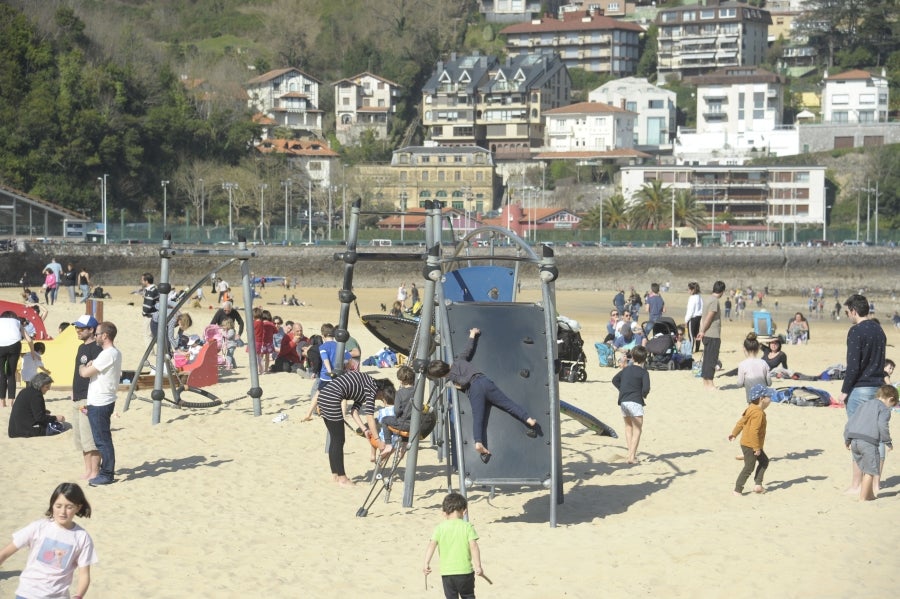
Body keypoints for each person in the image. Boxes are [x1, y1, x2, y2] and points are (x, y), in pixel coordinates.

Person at [426, 327, 541, 463]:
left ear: (440, 376)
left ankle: (478, 442)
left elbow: (464, 380)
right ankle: (528, 419)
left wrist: (459, 385)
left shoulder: (451, 376)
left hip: (475, 390)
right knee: (507, 404)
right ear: (444, 363)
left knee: (478, 417)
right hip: (485, 381)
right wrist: (472, 335)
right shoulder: (459, 360)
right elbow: (468, 349)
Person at [0, 482, 97, 599]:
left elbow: (84, 574)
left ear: (78, 507)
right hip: (27, 593)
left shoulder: (82, 537)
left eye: (69, 507)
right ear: (52, 505)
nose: (62, 512)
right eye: (58, 506)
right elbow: (5, 553)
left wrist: (78, 596)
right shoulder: (38, 527)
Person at [838, 294, 887, 495]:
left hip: (860, 388)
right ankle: (876, 484)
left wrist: (844, 391)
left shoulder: (856, 331)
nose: (848, 315)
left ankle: (857, 484)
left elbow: (853, 365)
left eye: (848, 312)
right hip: (877, 388)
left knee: (858, 437)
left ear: (854, 311)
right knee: (877, 436)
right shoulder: (879, 330)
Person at [316, 370, 395, 485]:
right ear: (382, 391)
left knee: (335, 439)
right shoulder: (372, 388)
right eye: (383, 397)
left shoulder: (366, 384)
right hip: (332, 398)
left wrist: (365, 429)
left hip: (323, 396)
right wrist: (378, 441)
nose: (380, 399)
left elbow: (354, 411)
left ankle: (335, 475)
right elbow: (369, 417)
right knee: (338, 440)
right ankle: (342, 478)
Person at [78, 321, 123, 487]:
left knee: (102, 440)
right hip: (102, 400)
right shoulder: (111, 354)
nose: (95, 336)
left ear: (105, 336)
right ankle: (107, 471)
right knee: (102, 439)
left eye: (97, 334)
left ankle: (107, 473)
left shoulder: (108, 354)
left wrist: (83, 366)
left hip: (101, 402)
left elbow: (84, 373)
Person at [423, 492, 483, 599]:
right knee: (468, 596)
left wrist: (426, 563)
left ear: (444, 513)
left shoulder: (440, 528)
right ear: (464, 511)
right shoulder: (467, 526)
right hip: (465, 572)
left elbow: (432, 545)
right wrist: (478, 565)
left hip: (447, 573)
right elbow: (474, 546)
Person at [844, 384, 897, 501]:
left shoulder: (863, 405)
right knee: (870, 471)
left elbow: (850, 423)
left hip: (854, 441)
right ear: (890, 399)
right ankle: (863, 498)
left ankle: (870, 495)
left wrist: (847, 439)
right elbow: (883, 426)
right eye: (891, 406)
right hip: (868, 443)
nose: (890, 408)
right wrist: (888, 441)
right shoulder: (883, 409)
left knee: (865, 468)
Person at [71, 315, 102, 481]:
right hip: (77, 396)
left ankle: (95, 470)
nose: (78, 331)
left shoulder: (97, 349)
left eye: (81, 328)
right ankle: (88, 470)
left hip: (88, 397)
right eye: (77, 328)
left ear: (91, 330)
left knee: (90, 439)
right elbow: (77, 372)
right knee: (81, 439)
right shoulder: (81, 348)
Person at [729, 384, 772, 496]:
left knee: (764, 461)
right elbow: (754, 431)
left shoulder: (751, 408)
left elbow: (741, 422)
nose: (770, 399)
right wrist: (756, 448)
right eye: (769, 397)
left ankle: (758, 485)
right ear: (762, 399)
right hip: (751, 445)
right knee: (749, 467)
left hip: (748, 443)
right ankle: (737, 489)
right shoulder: (758, 413)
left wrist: (734, 433)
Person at [612, 345, 650, 464]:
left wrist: (623, 390)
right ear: (645, 359)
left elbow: (614, 380)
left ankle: (630, 453)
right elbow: (646, 388)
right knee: (637, 429)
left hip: (624, 401)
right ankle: (631, 457)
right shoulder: (644, 372)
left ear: (632, 357)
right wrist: (643, 395)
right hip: (635, 401)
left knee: (628, 427)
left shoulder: (626, 370)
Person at [8, 373, 65, 438]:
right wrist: (56, 418)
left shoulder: (25, 390)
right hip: (24, 430)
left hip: (14, 429)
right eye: (47, 387)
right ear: (40, 385)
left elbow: (27, 409)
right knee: (58, 427)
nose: (49, 389)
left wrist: (42, 411)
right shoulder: (37, 395)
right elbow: (40, 418)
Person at [379, 364, 416, 456]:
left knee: (385, 420)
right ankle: (404, 445)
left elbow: (396, 410)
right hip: (415, 423)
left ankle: (388, 444)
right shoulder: (417, 390)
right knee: (406, 419)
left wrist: (398, 414)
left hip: (404, 424)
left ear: (401, 381)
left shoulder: (400, 393)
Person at [696, 281, 725, 391]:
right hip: (712, 334)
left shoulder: (707, 299)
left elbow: (703, 317)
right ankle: (710, 384)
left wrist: (702, 331)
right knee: (712, 359)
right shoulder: (714, 301)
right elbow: (709, 317)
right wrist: (702, 331)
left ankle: (706, 383)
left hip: (707, 334)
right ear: (722, 291)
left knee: (707, 358)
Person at [1, 310, 33, 407]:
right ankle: (11, 401)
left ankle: (2, 402)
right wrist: (32, 352)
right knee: (11, 374)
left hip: (0, 346)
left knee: (1, 374)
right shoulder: (17, 322)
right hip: (14, 345)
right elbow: (29, 339)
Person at [736, 333, 771, 401]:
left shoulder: (742, 364)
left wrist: (745, 383)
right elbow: (769, 383)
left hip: (751, 398)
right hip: (763, 398)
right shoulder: (764, 363)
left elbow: (739, 384)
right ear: (758, 348)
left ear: (744, 348)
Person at [140, 273, 160, 352]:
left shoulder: (150, 291)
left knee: (147, 334)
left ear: (146, 281)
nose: (141, 281)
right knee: (153, 334)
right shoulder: (155, 289)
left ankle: (150, 352)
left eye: (142, 280)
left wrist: (144, 312)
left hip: (150, 316)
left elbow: (147, 307)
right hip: (155, 315)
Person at [685, 282, 703, 353]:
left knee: (691, 335)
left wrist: (686, 320)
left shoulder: (692, 298)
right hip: (698, 317)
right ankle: (697, 348)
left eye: (688, 289)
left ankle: (690, 350)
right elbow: (702, 307)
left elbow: (690, 310)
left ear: (692, 290)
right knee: (697, 333)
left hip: (692, 318)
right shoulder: (699, 297)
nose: (688, 291)